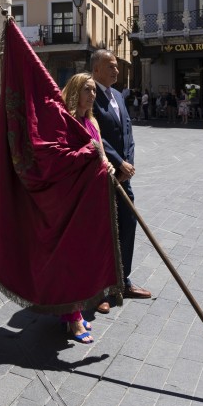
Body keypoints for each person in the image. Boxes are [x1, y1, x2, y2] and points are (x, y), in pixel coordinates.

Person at [59, 72, 118, 341]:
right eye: (87, 89)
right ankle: (72, 321)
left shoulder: (92, 121)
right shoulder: (67, 122)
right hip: (73, 200)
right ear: (75, 91)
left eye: (94, 90)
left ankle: (77, 312)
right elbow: (62, 157)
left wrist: (108, 165)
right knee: (72, 259)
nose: (92, 95)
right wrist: (90, 153)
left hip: (95, 196)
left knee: (85, 258)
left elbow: (101, 153)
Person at [90, 49, 150, 300]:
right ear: (96, 70)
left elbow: (128, 132)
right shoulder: (89, 95)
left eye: (116, 66)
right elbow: (94, 134)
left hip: (123, 176)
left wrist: (129, 164)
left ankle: (122, 280)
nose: (117, 70)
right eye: (111, 66)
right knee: (105, 230)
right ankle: (102, 288)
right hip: (102, 174)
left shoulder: (117, 95)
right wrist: (117, 162)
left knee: (128, 224)